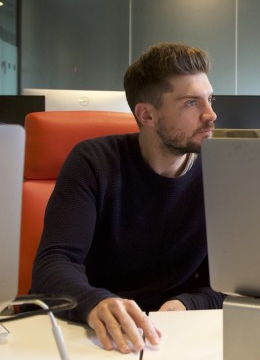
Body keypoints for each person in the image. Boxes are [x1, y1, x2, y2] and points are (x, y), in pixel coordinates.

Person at [31, 43, 225, 353]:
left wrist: (188, 304)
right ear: (147, 115)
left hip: (179, 333)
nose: (210, 114)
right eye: (192, 103)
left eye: (209, 99)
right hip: (94, 332)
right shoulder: (93, 161)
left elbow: (244, 283)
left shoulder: (224, 172)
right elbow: (54, 264)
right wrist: (94, 302)